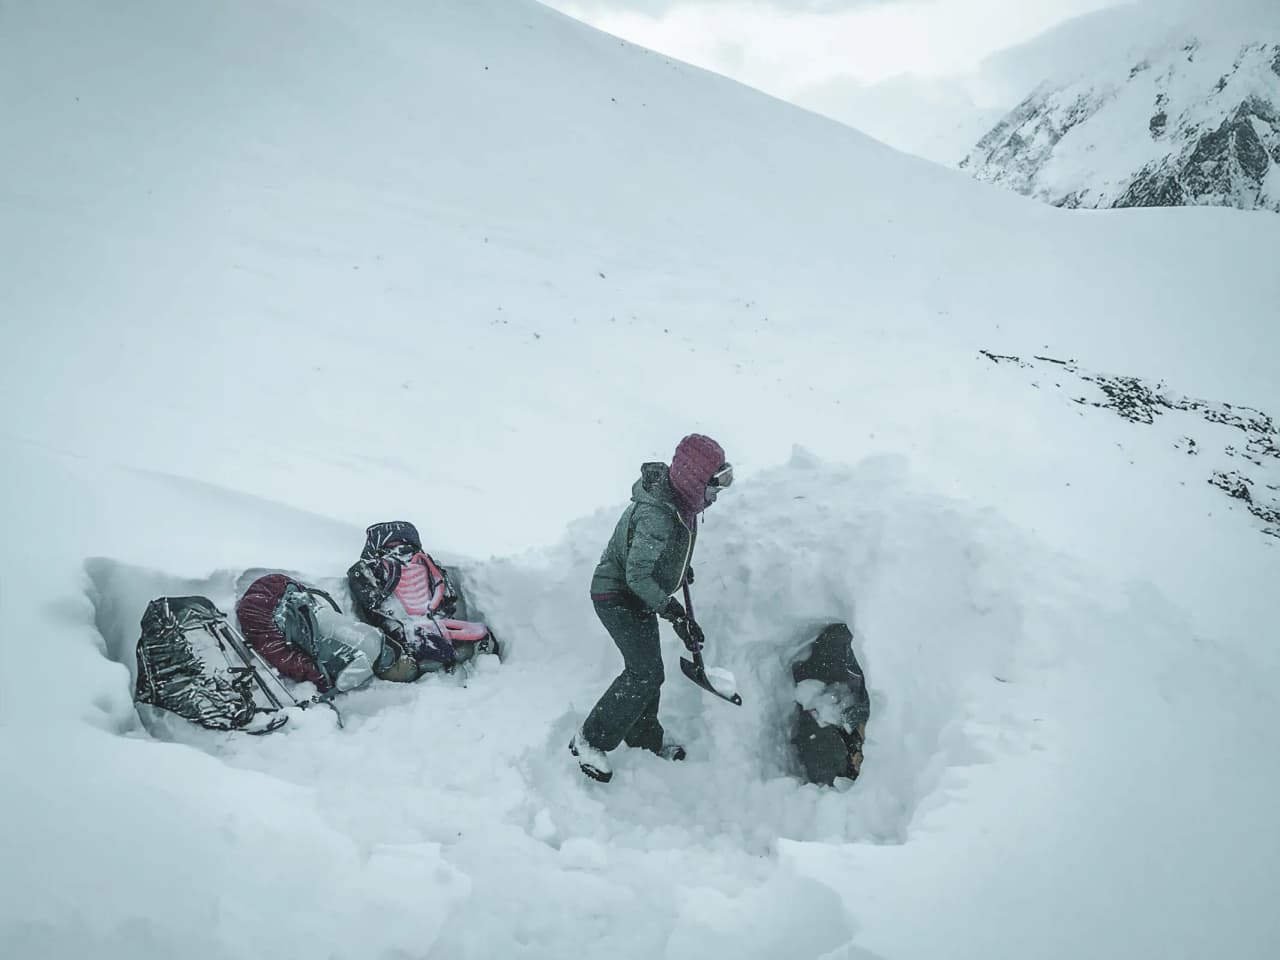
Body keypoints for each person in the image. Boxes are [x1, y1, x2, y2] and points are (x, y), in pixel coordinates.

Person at [569, 434, 733, 783]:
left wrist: (676, 568)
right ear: (693, 481)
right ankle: (589, 740)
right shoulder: (657, 514)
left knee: (650, 670)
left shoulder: (684, 504)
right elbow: (637, 576)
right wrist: (674, 613)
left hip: (638, 594)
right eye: (714, 485)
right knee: (644, 672)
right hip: (616, 596)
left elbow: (661, 553)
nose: (717, 495)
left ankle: (643, 734)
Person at [347, 520, 498, 678]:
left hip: (414, 628)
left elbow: (371, 608)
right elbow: (448, 598)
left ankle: (428, 658)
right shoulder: (424, 562)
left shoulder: (372, 568)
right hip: (423, 624)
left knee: (409, 667)